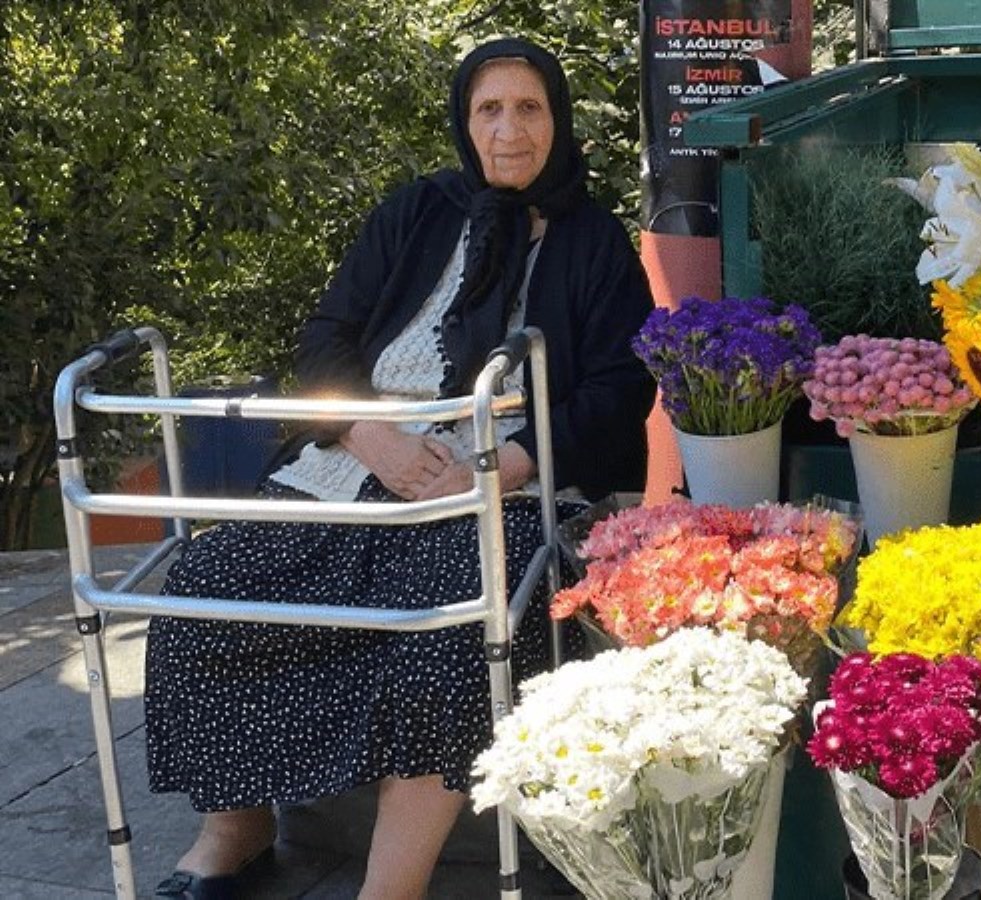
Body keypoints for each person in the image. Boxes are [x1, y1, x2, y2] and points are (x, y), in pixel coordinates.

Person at [144, 37, 655, 899]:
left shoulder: (594, 243)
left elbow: (616, 390)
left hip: (503, 488)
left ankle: (393, 885)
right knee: (205, 589)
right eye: (489, 109)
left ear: (557, 121)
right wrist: (363, 431)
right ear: (464, 120)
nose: (509, 129)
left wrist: (504, 466)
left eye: (529, 108)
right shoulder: (416, 212)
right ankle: (236, 832)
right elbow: (325, 339)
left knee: (449, 638)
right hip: (356, 463)